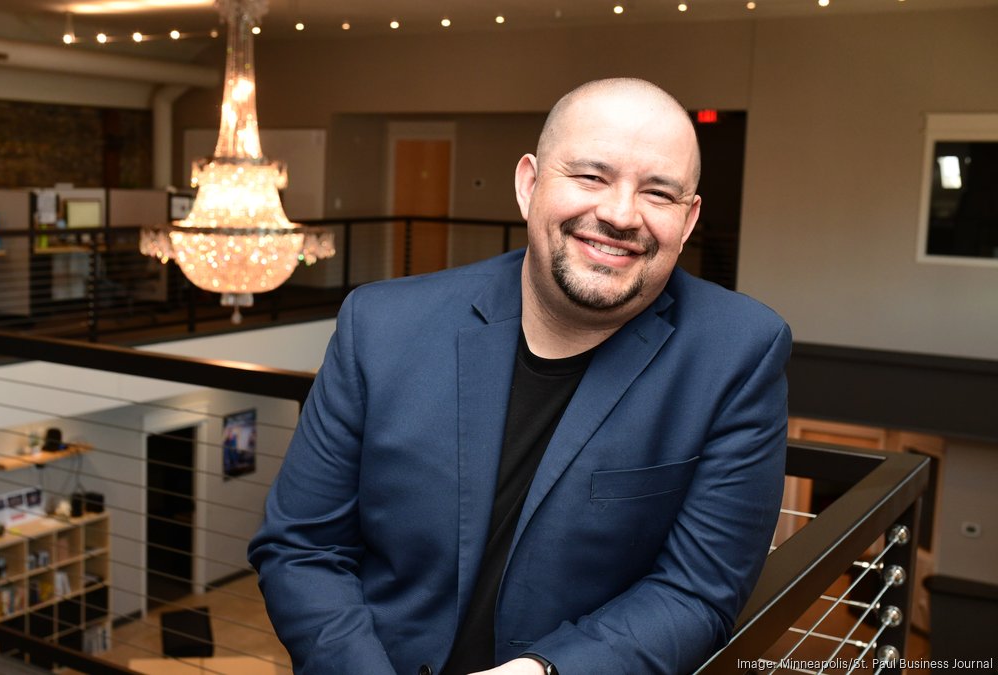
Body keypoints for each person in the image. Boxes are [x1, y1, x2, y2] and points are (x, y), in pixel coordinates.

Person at [248, 78, 790, 675]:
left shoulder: (739, 352)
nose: (618, 213)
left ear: (688, 221)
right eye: (591, 176)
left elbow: (697, 591)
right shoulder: (379, 325)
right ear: (529, 184)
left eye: (658, 193)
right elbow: (302, 548)